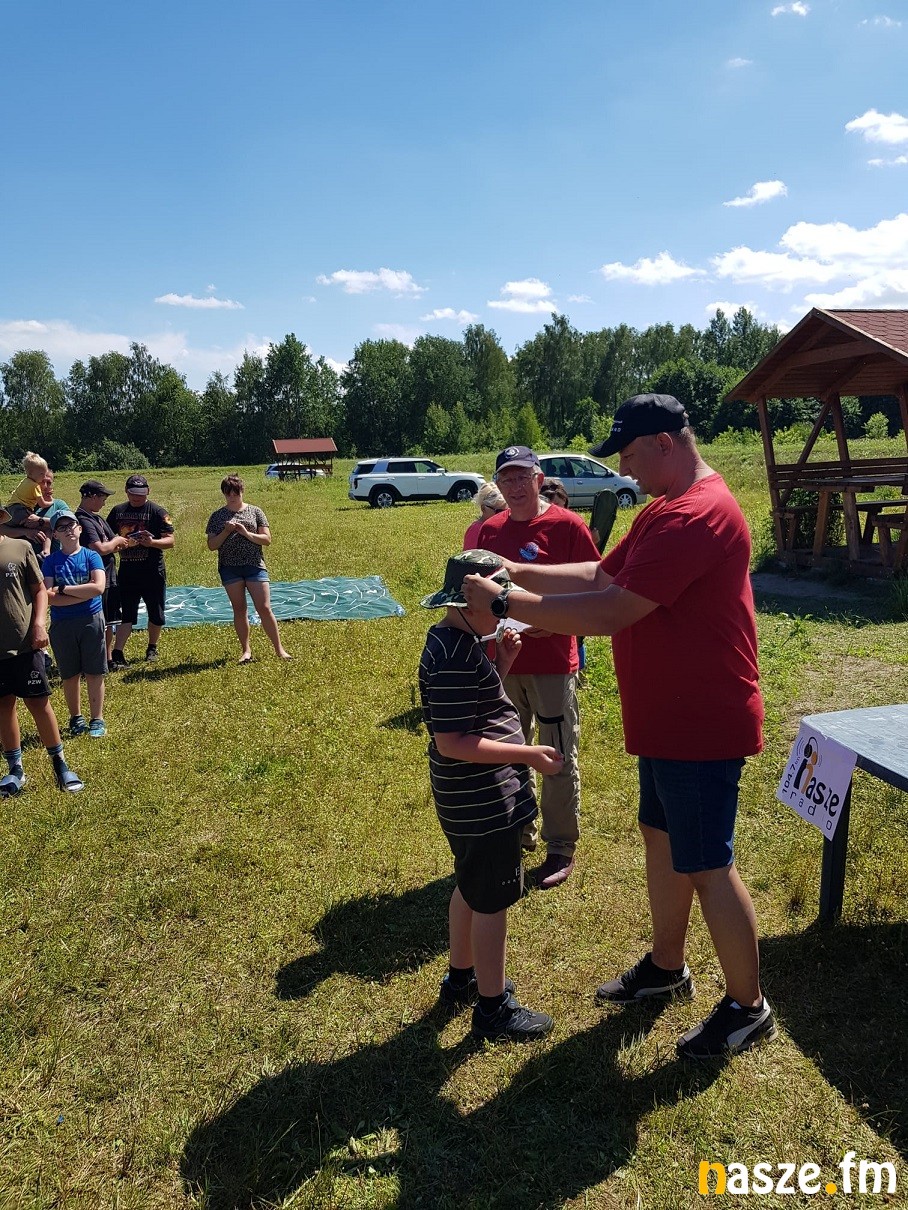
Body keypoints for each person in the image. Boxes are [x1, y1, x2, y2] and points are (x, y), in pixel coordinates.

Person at [463, 394, 776, 1060]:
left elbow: (609, 611)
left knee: (708, 864)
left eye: (631, 455)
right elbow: (599, 572)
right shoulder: (664, 507)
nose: (626, 470)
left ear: (665, 443)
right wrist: (513, 569)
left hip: (701, 719)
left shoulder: (696, 513)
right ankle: (667, 966)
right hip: (666, 716)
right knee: (661, 837)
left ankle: (749, 1008)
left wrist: (504, 600)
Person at [419, 549, 563, 1043]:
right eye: (497, 604)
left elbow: (474, 708)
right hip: (482, 802)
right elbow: (452, 742)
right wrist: (528, 755)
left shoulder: (453, 641)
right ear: (467, 603)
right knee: (492, 902)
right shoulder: (455, 656)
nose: (505, 614)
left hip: (470, 800)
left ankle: (462, 977)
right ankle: (492, 1007)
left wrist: (502, 663)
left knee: (471, 885)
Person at [476, 446, 600, 889]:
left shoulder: (567, 526)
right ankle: (518, 832)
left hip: (552, 663)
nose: (514, 486)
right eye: (505, 478)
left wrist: (557, 623)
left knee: (555, 754)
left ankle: (560, 846)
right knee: (509, 751)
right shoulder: (489, 532)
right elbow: (475, 595)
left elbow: (595, 587)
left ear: (538, 478)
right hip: (504, 663)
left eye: (521, 477)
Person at [0, 505, 83, 797]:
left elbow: (38, 591)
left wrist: (38, 624)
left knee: (38, 702)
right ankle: (15, 770)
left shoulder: (19, 548)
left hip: (25, 643)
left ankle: (60, 765)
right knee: (3, 705)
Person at [205, 474, 291, 663]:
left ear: (242, 491)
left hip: (255, 565)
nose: (232, 497)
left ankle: (279, 650)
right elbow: (212, 545)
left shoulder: (255, 511)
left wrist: (245, 533)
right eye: (228, 493)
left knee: (264, 608)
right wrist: (226, 531)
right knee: (239, 609)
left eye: (235, 493)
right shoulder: (217, 516)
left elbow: (267, 539)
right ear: (223, 494)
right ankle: (246, 651)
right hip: (229, 567)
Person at [42, 511, 108, 738]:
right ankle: (76, 717)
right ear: (55, 535)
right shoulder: (51, 561)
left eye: (71, 525)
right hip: (62, 623)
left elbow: (98, 587)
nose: (68, 530)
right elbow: (48, 596)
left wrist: (63, 589)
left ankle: (97, 718)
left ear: (79, 528)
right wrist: (83, 594)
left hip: (91, 619)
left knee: (94, 671)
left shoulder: (91, 556)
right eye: (61, 528)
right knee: (69, 674)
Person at [106, 475, 175, 666]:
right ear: (126, 491)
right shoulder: (118, 511)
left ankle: (152, 647)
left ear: (148, 491)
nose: (137, 498)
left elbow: (170, 541)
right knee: (126, 613)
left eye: (141, 494)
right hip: (127, 572)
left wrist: (152, 543)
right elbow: (107, 538)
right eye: (133, 494)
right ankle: (118, 652)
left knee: (156, 613)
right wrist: (120, 544)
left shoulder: (158, 512)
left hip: (153, 571)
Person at [76, 480, 128, 662]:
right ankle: (98, 659)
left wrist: (118, 542)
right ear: (91, 496)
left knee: (109, 620)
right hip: (97, 576)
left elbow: (114, 542)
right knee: (99, 621)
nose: (104, 503)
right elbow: (99, 548)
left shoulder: (97, 518)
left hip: (109, 574)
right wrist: (116, 542)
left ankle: (107, 658)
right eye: (103, 498)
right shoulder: (83, 520)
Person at [3, 452, 53, 548]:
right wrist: (51, 502)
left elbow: (66, 522)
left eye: (49, 483)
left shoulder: (24, 482)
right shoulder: (35, 486)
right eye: (42, 477)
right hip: (21, 511)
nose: (45, 485)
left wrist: (40, 520)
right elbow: (42, 504)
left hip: (10, 509)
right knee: (47, 529)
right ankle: (46, 550)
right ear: (31, 474)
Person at [462, 483, 507, 549]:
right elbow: (471, 554)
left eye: (506, 512)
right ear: (483, 508)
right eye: (498, 511)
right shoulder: (476, 530)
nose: (502, 515)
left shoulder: (503, 527)